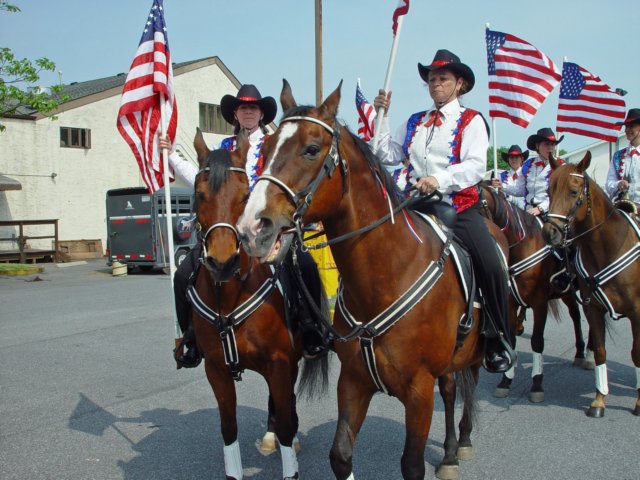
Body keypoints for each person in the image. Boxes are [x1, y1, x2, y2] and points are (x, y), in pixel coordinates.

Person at [161, 84, 326, 368]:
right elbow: (201, 179)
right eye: (242, 107)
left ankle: (310, 329)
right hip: (225, 227)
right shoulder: (222, 149)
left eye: (253, 107)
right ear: (235, 114)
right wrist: (171, 156)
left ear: (261, 113)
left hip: (265, 224)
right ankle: (191, 336)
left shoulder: (274, 143)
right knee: (184, 273)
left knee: (304, 264)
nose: (248, 112)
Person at [373, 49, 515, 373]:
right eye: (432, 79)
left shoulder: (472, 120)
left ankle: (497, 337)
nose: (436, 84)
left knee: (492, 262)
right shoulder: (414, 122)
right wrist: (383, 117)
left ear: (459, 84)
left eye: (443, 79)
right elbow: (386, 153)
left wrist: (440, 179)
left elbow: (476, 166)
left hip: (458, 206)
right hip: (414, 205)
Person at [496, 128, 564, 217]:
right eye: (547, 144)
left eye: (553, 144)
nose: (550, 148)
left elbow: (560, 195)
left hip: (550, 213)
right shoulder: (528, 164)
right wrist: (502, 186)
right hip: (528, 212)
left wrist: (540, 208)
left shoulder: (561, 166)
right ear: (537, 146)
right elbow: (522, 190)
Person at [605, 108, 640, 210]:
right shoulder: (618, 156)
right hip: (622, 207)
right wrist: (618, 184)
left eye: (631, 126)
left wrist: (631, 188)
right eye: (626, 126)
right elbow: (609, 183)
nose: (627, 130)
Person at [492, 145, 528, 210]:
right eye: (511, 157)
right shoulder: (500, 176)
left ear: (522, 159)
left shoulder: (527, 174)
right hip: (507, 211)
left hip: (525, 210)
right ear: (508, 159)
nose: (514, 160)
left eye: (516, 157)